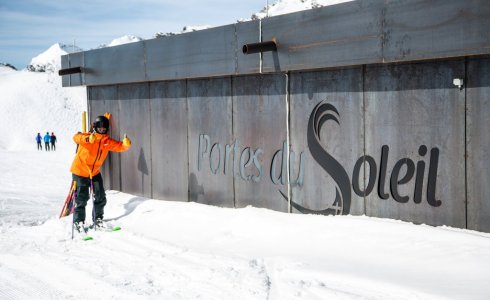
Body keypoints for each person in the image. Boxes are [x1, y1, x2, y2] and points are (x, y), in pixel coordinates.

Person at [70, 114, 131, 232]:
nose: (102, 130)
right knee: (82, 198)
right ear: (95, 127)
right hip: (80, 171)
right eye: (99, 128)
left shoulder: (106, 142)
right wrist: (88, 139)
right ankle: (79, 221)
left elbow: (118, 146)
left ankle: (98, 219)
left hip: (94, 172)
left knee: (100, 196)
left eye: (104, 128)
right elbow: (76, 137)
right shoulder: (87, 137)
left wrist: (125, 145)